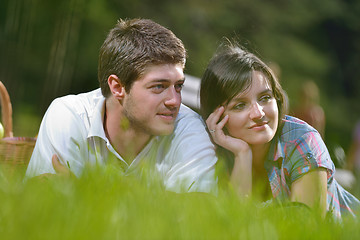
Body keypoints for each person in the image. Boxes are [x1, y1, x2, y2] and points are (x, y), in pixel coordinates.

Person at [25, 18, 217, 193]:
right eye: (159, 86)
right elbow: (46, 205)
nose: (175, 101)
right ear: (117, 87)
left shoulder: (190, 127)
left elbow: (197, 213)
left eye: (179, 86)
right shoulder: (68, 115)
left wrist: (83, 191)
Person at [199, 40, 359, 219]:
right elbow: (233, 225)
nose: (258, 113)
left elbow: (306, 229)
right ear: (217, 116)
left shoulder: (302, 140)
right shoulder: (210, 153)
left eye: (265, 97)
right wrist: (242, 155)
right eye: (240, 105)